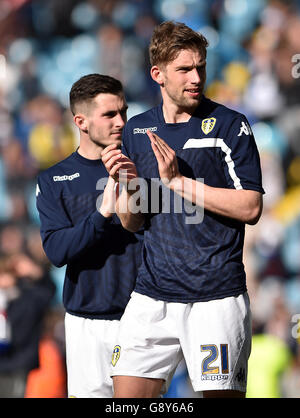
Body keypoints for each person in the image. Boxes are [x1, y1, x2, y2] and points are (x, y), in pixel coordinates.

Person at [101, 21, 265, 398]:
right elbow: (131, 221)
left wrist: (179, 182)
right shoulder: (137, 131)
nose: (196, 77)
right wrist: (127, 186)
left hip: (215, 299)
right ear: (157, 74)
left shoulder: (229, 125)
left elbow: (251, 206)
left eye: (201, 67)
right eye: (185, 69)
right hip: (152, 296)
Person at [36, 74, 142, 398]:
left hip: (141, 319)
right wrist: (101, 215)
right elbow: (55, 251)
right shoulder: (56, 179)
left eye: (122, 112)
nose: (120, 121)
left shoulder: (140, 167)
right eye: (109, 114)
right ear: (80, 121)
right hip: (86, 325)